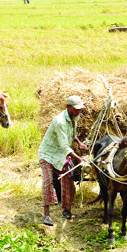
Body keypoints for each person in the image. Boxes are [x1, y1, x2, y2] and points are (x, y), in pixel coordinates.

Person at [38, 95, 88, 226]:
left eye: (80, 109)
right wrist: (79, 159)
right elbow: (65, 146)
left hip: (60, 155)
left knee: (68, 181)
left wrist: (79, 142)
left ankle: (66, 210)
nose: (79, 112)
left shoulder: (73, 118)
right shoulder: (60, 122)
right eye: (76, 109)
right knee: (48, 181)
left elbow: (72, 134)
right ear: (68, 107)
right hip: (48, 154)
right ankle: (47, 216)